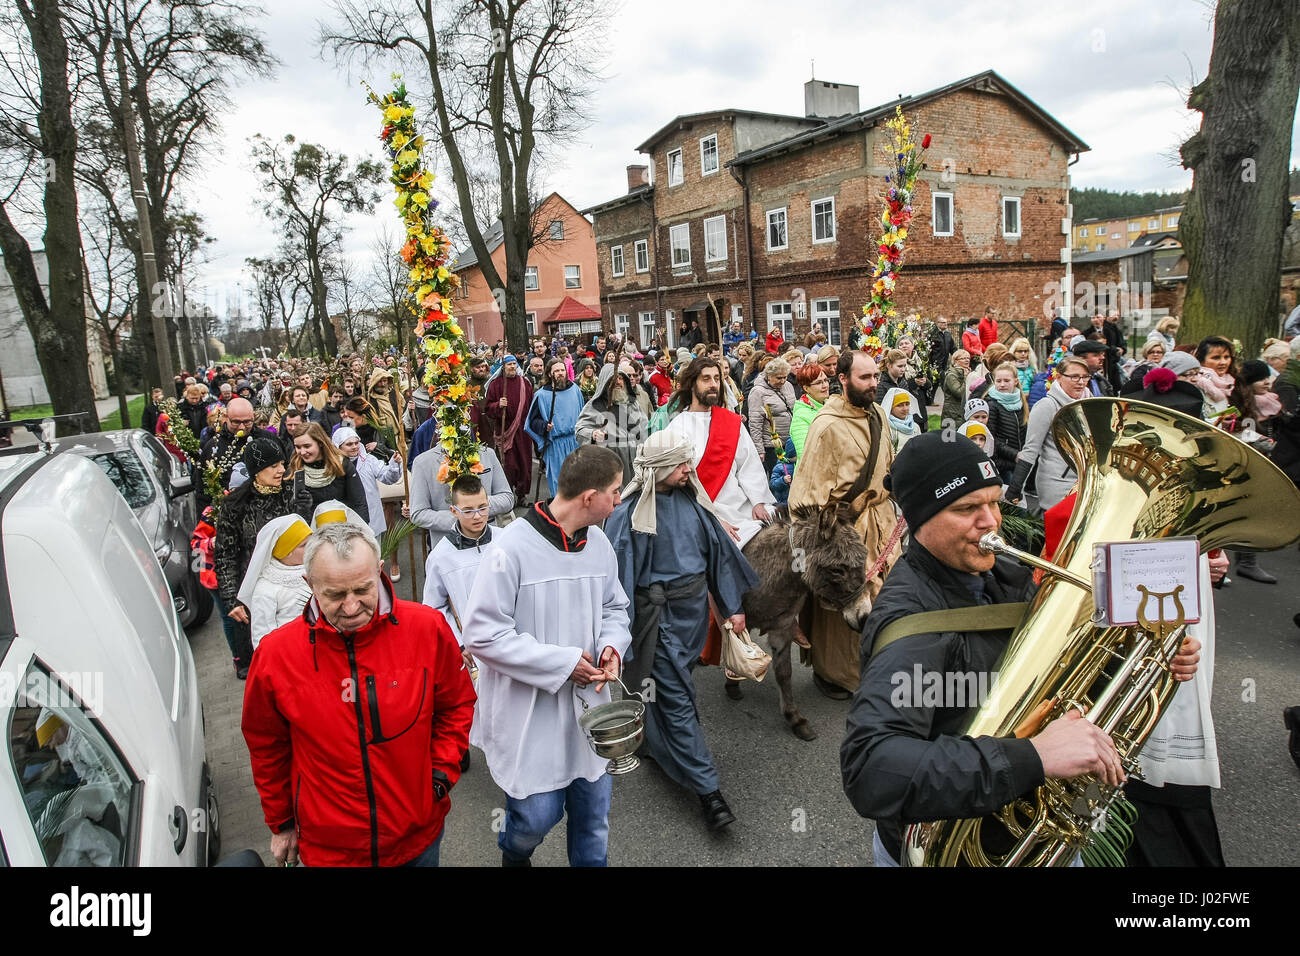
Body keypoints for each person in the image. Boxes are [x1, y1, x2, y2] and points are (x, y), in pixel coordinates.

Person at [841, 431, 1201, 866]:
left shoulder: (1003, 573)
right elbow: (872, 768)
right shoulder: (912, 623)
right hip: (958, 848)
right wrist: (1033, 757)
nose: (991, 521)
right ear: (920, 519)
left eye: (994, 501)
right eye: (967, 508)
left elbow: (1060, 677)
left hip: (1027, 834)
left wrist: (1139, 663)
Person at [242, 520, 475, 867]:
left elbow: (456, 704)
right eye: (335, 595)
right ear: (309, 584)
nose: (351, 607)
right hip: (331, 850)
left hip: (417, 840)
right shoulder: (276, 656)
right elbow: (266, 746)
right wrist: (282, 823)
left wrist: (439, 777)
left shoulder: (427, 629)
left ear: (379, 572)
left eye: (362, 590)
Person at [461, 446, 632, 867]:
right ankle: (515, 856)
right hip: (529, 713)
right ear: (589, 498)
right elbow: (482, 633)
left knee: (593, 821)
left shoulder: (599, 545)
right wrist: (562, 664)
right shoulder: (511, 549)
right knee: (534, 818)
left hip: (590, 710)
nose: (619, 500)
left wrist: (612, 645)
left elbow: (615, 607)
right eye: (615, 491)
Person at [605, 431, 760, 830]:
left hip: (691, 621)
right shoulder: (628, 515)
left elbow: (719, 559)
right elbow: (614, 585)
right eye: (680, 464)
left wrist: (732, 608)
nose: (689, 469)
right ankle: (709, 793)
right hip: (656, 622)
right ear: (657, 470)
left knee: (671, 686)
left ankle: (656, 745)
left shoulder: (695, 505)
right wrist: (613, 636)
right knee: (675, 696)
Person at [788, 350, 901, 699]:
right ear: (843, 379)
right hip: (844, 532)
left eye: (875, 377)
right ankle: (834, 675)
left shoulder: (879, 413)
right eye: (864, 378)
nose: (873, 384)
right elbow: (805, 495)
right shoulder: (826, 426)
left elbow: (888, 464)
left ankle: (878, 671)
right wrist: (816, 549)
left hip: (882, 522)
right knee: (844, 610)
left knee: (885, 602)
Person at [214, 437, 314, 679]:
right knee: (262, 660)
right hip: (254, 590)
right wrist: (231, 600)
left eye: (282, 463)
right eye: (273, 466)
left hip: (292, 585)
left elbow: (302, 540)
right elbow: (225, 555)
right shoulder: (235, 504)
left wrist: (306, 509)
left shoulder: (291, 493)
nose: (281, 470)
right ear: (256, 470)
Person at [663, 357, 775, 548]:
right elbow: (674, 483)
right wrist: (708, 518)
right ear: (692, 385)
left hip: (742, 506)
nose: (714, 384)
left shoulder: (731, 422)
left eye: (717, 378)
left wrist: (758, 501)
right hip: (705, 510)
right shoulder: (676, 429)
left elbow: (749, 466)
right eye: (706, 379)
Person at [1006, 355, 1091, 514]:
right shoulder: (1047, 406)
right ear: (1059, 377)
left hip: (1086, 483)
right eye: (1074, 377)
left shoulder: (1090, 404)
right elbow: (1031, 450)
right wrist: (1015, 488)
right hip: (1057, 483)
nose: (1081, 382)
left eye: (1085, 377)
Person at [237, 515, 312, 652]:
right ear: (286, 551)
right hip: (291, 652)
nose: (311, 547)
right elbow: (262, 637)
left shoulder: (318, 569)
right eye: (304, 545)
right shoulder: (267, 589)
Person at [198, 397, 280, 509]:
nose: (242, 427)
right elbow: (202, 489)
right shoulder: (213, 447)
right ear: (226, 418)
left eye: (247, 422)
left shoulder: (269, 439)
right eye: (236, 422)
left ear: (253, 417)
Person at [575, 362, 649, 484]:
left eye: (620, 378)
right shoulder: (595, 406)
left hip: (636, 466)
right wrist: (593, 434)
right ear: (605, 383)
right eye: (613, 379)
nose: (618, 382)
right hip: (611, 468)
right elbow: (580, 430)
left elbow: (645, 428)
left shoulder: (632, 403)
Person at [525, 357, 584, 499]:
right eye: (556, 371)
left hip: (574, 442)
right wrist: (544, 426)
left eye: (562, 370)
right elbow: (532, 422)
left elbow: (584, 414)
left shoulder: (575, 390)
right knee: (560, 483)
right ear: (550, 374)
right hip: (556, 445)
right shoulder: (542, 395)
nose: (560, 373)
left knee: (578, 481)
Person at [290, 422, 370, 523]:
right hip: (311, 531)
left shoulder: (342, 465)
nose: (302, 452)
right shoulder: (294, 470)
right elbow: (289, 514)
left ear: (320, 442)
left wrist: (361, 532)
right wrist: (301, 506)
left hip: (343, 528)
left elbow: (359, 502)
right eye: (298, 447)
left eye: (307, 446)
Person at [333, 426, 401, 539]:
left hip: (372, 520)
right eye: (349, 444)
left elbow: (388, 478)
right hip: (344, 522)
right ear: (338, 447)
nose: (355, 447)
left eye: (356, 443)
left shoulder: (369, 460)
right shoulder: (332, 466)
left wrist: (394, 463)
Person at [484, 354, 535, 501]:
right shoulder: (496, 384)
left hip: (523, 431)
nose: (512, 367)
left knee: (524, 463)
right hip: (505, 430)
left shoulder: (524, 383)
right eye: (509, 364)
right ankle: (508, 494)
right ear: (503, 367)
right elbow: (488, 408)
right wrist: (498, 405)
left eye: (514, 364)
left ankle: (522, 495)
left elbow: (532, 405)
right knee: (509, 465)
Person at [746, 356, 795, 473]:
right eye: (779, 378)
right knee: (778, 476)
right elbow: (755, 422)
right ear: (769, 376)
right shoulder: (757, 392)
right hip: (771, 445)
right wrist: (759, 449)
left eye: (785, 377)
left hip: (789, 441)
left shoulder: (788, 386)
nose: (783, 381)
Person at [984, 363, 1028, 483]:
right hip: (1003, 463)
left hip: (1019, 462)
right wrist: (1015, 454)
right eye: (998, 381)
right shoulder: (992, 405)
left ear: (1015, 381)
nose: (1002, 384)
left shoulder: (1021, 402)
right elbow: (990, 438)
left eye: (1007, 380)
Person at [790, 363, 831, 459]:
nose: (825, 385)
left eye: (826, 380)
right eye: (818, 383)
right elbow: (805, 454)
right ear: (806, 388)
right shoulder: (801, 416)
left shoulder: (832, 406)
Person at [940, 349, 970, 428]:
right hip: (952, 414)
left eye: (968, 358)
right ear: (955, 361)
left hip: (962, 412)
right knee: (949, 439)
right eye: (963, 358)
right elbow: (960, 393)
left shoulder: (967, 372)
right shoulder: (951, 375)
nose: (967, 360)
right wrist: (966, 378)